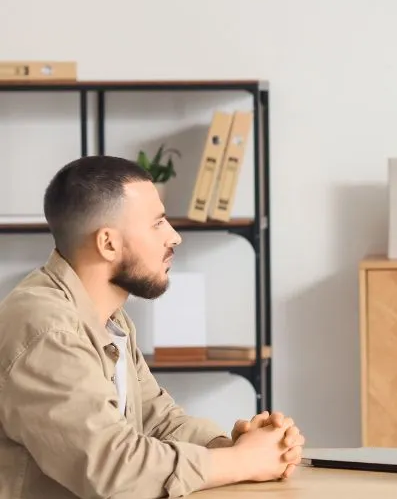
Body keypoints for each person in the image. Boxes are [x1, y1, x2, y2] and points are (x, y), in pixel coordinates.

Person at [0, 156, 306, 498]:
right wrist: (240, 462)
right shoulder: (46, 330)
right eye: (157, 223)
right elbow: (114, 468)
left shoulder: (110, 320)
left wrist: (239, 447)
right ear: (108, 243)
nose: (174, 237)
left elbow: (158, 421)